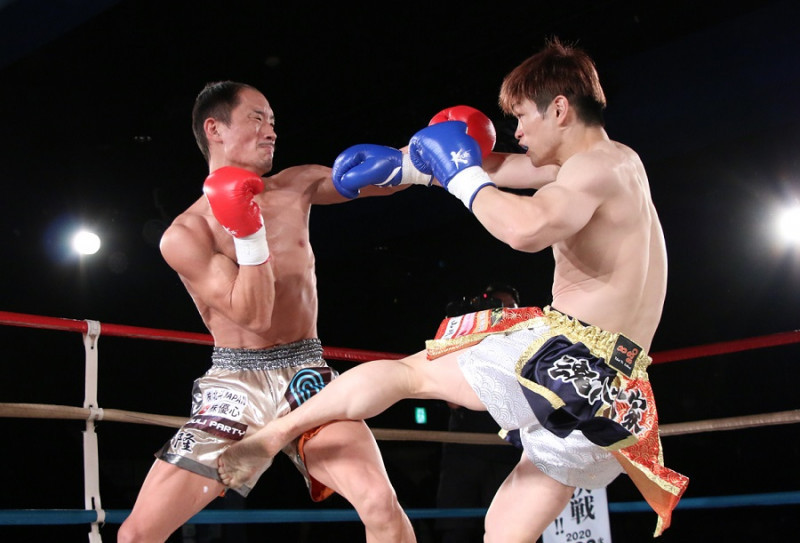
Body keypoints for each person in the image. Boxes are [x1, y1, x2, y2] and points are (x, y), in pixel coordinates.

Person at [217, 37, 689, 541]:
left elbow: (526, 229)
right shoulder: (614, 162)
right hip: (613, 392)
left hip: (569, 359)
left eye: (522, 116)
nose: (517, 131)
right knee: (502, 531)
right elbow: (499, 167)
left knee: (408, 375)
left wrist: (462, 177)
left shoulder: (592, 169)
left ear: (559, 109)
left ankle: (274, 435)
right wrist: (408, 165)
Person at [117, 80, 417, 543]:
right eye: (256, 119)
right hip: (235, 385)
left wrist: (427, 158)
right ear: (214, 129)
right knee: (138, 535)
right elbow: (254, 316)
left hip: (306, 375)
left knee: (380, 505)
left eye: (273, 121)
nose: (271, 131)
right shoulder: (186, 234)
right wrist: (248, 232)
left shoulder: (297, 184)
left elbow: (384, 177)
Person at [436, 283, 524, 543]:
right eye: (498, 307)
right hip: (464, 451)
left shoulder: (529, 343)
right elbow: (452, 401)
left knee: (507, 529)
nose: (506, 313)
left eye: (511, 307)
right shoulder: (466, 339)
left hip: (507, 451)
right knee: (456, 528)